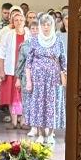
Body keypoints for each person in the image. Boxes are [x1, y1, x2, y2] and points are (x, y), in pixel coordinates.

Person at [24, 13, 66, 144]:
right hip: (38, 80)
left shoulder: (58, 40)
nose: (46, 27)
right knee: (39, 105)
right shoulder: (34, 40)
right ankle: (41, 134)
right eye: (43, 25)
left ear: (52, 26)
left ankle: (51, 133)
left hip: (54, 79)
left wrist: (64, 77)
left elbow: (63, 61)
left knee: (52, 105)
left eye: (48, 24)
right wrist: (29, 80)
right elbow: (28, 63)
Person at [0, 6, 28, 128]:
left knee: (24, 96)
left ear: (24, 21)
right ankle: (14, 122)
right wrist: (1, 70)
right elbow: (2, 54)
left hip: (25, 71)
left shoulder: (29, 34)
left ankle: (23, 121)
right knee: (11, 95)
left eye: (21, 20)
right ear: (13, 22)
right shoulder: (8, 34)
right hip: (10, 69)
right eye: (16, 20)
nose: (19, 22)